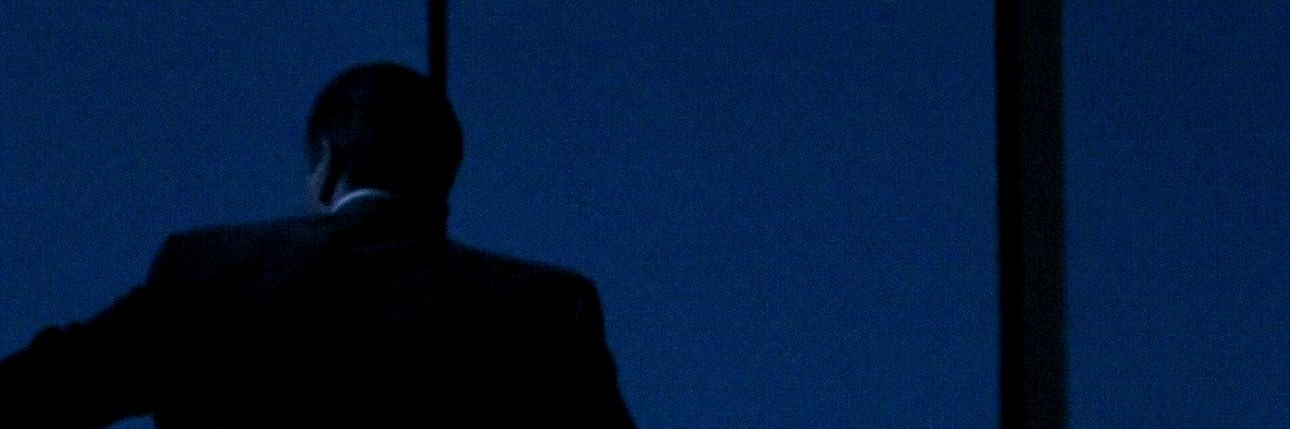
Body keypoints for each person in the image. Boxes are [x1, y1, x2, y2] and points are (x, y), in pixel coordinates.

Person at [0, 63, 635, 428]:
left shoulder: (204, 278)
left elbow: (42, 392)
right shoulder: (548, 311)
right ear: (444, 183)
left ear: (328, 164)